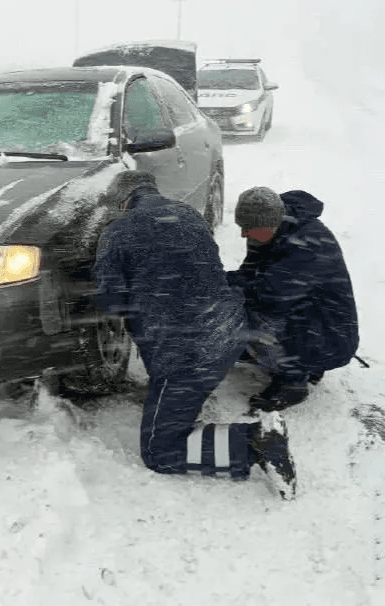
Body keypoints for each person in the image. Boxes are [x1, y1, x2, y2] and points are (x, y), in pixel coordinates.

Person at [92, 170, 297, 499]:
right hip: (229, 331)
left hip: (187, 354)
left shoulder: (117, 232)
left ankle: (256, 442)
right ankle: (193, 400)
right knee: (187, 381)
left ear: (123, 202)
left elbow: (110, 303)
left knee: (160, 451)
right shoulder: (188, 214)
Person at [227, 186, 359, 412]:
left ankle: (292, 381)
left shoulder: (308, 243)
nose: (243, 234)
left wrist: (223, 287)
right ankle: (302, 361)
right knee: (242, 307)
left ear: (271, 224)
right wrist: (222, 281)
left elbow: (267, 296)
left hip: (330, 336)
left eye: (249, 229)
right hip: (312, 322)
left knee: (257, 315)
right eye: (242, 227)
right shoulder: (267, 232)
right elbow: (249, 272)